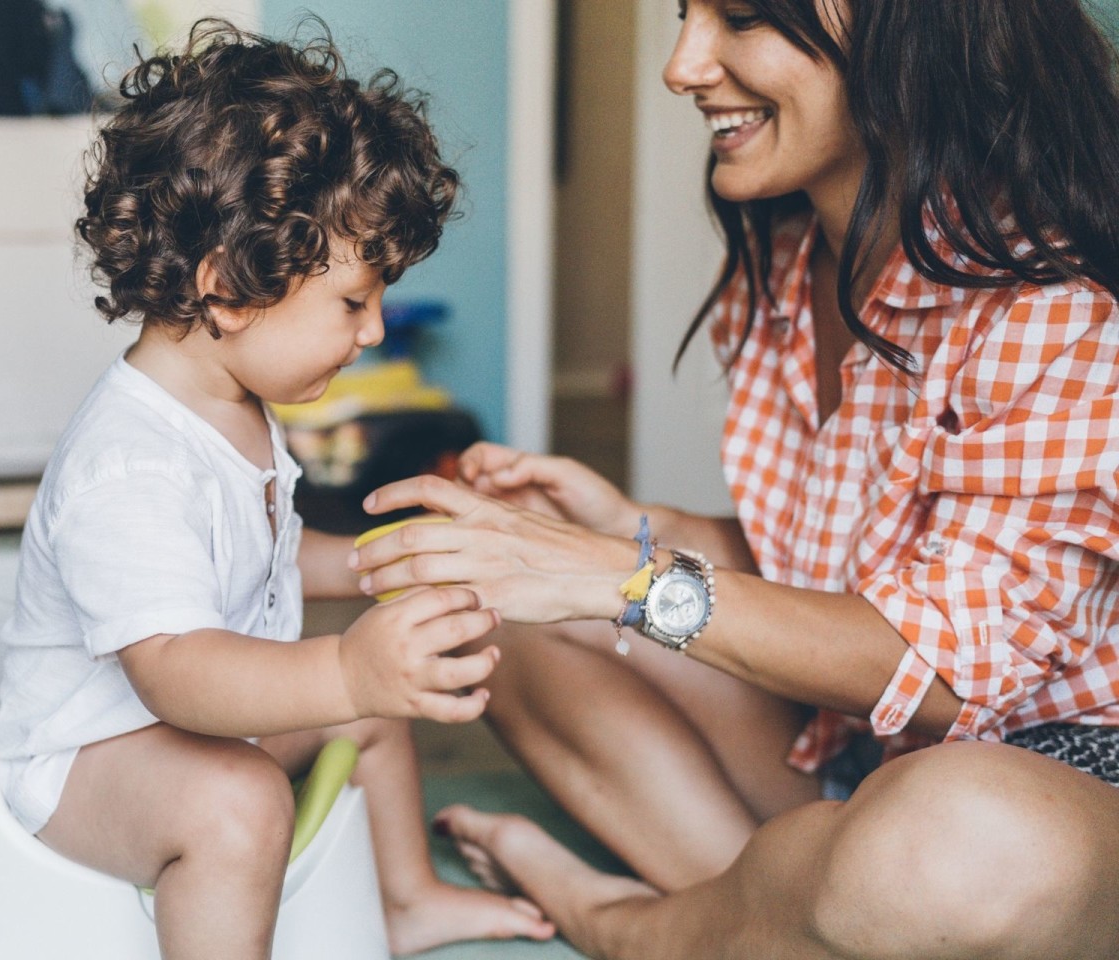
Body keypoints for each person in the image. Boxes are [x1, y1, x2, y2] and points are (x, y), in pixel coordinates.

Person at [349, 0, 1119, 956]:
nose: (681, 67)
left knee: (963, 843)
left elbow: (951, 679)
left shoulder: (1054, 304)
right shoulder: (790, 266)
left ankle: (631, 924)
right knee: (481, 614)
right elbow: (849, 565)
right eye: (684, 15)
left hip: (1049, 787)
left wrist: (620, 575)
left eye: (743, 18)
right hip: (859, 759)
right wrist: (631, 527)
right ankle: (786, 911)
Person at [0, 21, 556, 959]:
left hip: (186, 729)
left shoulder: (233, 402)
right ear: (229, 291)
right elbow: (175, 669)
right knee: (240, 799)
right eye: (352, 302)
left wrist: (393, 565)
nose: (373, 332)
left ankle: (403, 901)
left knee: (369, 711)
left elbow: (266, 551)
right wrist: (343, 669)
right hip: (83, 764)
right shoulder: (130, 462)